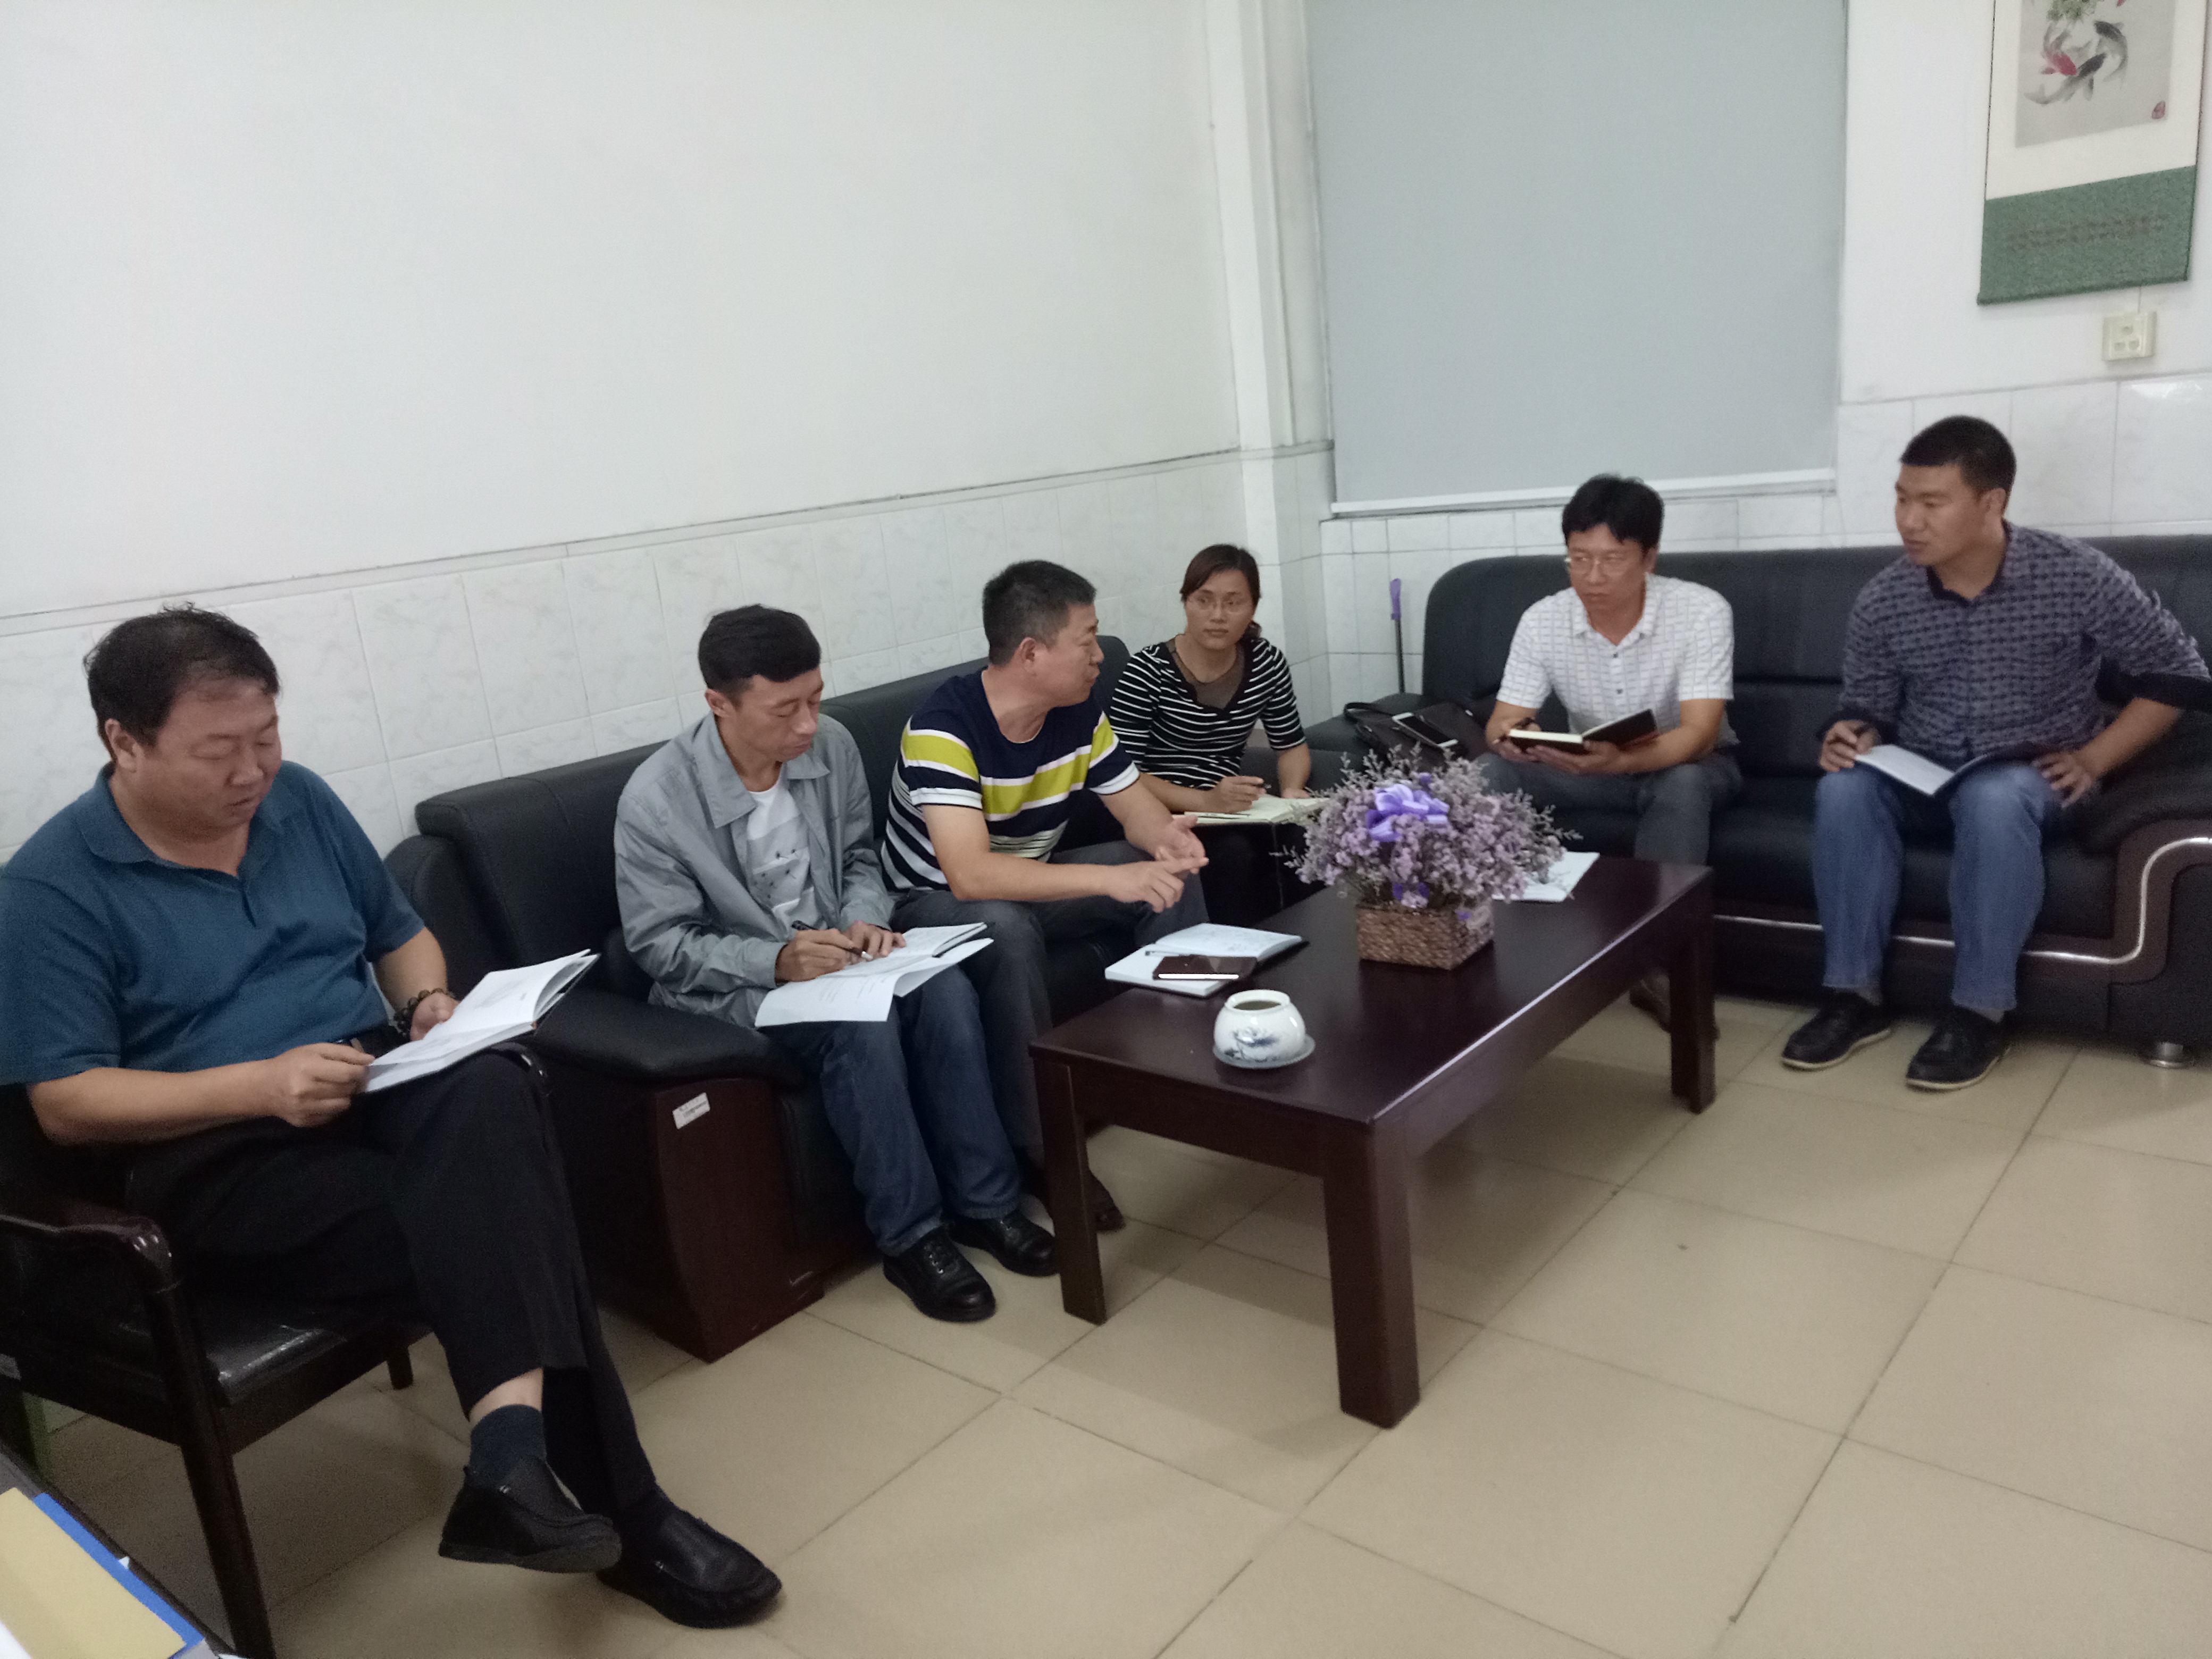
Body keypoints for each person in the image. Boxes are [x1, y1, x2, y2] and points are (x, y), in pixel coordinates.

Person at [0, 606, 777, 1628]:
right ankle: (620, 1515)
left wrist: (428, 1004)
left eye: (267, 736)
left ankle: (512, 1461)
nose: (253, 772)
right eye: (219, 751)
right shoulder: (50, 889)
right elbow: (66, 1105)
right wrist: (258, 1085)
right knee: (516, 1221)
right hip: (213, 1154)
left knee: (493, 1085)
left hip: (366, 1080)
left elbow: (400, 935)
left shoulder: (300, 801)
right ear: (125, 742)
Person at [614, 606, 1055, 1325]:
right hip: (741, 986)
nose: (807, 725)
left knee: (944, 990)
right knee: (863, 1028)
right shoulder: (657, 800)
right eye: (784, 709)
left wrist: (864, 918)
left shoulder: (834, 747)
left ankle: (986, 1203)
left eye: (815, 699)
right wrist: (775, 959)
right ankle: (912, 1238)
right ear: (719, 704)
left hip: (841, 957)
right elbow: (660, 944)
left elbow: (857, 857)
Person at [1782, 415, 2208, 1089]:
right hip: (1923, 773)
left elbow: (2178, 674)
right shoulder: (1885, 597)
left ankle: (1979, 1013)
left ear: (1990, 503)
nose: (1908, 521)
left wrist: (2094, 759)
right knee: (1843, 788)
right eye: (1901, 499)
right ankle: (1852, 998)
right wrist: (1852, 734)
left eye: (1931, 502)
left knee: (1994, 793)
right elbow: (1867, 703)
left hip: (2032, 779)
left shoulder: (2071, 573)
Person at [882, 560, 1210, 1229]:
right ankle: (1046, 1151)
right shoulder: (943, 728)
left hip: (1026, 881)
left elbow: (1134, 809)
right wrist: (1109, 879)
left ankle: (1184, 1077)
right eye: (1086, 640)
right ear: (1031, 653)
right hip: (930, 905)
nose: (1098, 656)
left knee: (1163, 875)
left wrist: (1165, 839)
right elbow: (971, 876)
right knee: (1005, 926)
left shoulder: (1076, 710)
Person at [1478, 474, 1738, 1027]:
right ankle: (1485, 937)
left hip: (1687, 765)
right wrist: (1516, 740)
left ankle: (1660, 967)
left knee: (1683, 782)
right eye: (1578, 559)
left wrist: (1623, 761)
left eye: (1611, 560)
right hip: (1591, 769)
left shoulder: (1700, 610)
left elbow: (1699, 733)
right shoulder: (1543, 619)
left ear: (1649, 558)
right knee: (1487, 773)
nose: (1592, 577)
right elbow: (1501, 722)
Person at [1106, 543, 1315, 924]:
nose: (1218, 616)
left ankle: (1309, 944)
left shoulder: (1266, 663)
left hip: (1230, 810)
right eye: (1204, 601)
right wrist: (1206, 801)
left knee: (1304, 838)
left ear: (1253, 608)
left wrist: (1292, 793)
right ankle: (1239, 953)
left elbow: (1292, 746)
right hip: (1161, 814)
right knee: (1232, 854)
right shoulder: (1147, 672)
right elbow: (1121, 775)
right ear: (1186, 602)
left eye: (1233, 603)